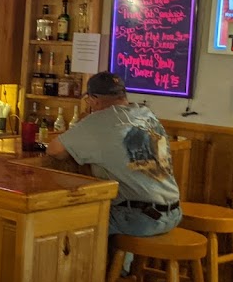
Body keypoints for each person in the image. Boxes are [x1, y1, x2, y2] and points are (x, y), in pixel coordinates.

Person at [48, 71, 181, 239]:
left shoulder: (98, 121)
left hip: (141, 218)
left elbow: (54, 150)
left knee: (65, 221)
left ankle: (109, 258)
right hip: (173, 212)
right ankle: (124, 256)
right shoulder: (145, 113)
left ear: (94, 99)